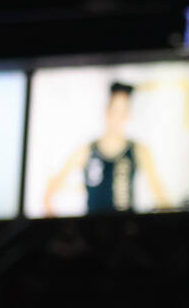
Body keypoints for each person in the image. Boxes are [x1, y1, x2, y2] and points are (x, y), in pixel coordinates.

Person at [42, 81, 170, 215]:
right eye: (115, 110)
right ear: (107, 110)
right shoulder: (86, 151)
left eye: (124, 111)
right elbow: (50, 192)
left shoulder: (139, 150)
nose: (119, 117)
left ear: (129, 114)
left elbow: (162, 198)